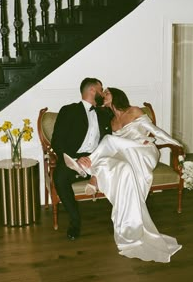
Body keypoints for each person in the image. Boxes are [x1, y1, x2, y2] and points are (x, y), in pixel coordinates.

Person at [64, 87, 183, 262]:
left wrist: (177, 145)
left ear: (116, 95)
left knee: (108, 141)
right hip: (126, 154)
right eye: (102, 94)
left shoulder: (133, 111)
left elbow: (155, 131)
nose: (103, 96)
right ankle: (95, 176)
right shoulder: (111, 121)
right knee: (110, 161)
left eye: (107, 93)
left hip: (144, 151)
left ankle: (86, 168)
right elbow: (115, 147)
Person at [51, 78, 112, 240]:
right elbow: (57, 140)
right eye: (101, 90)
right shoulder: (69, 110)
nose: (103, 93)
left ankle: (120, 219)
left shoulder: (105, 113)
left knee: (122, 169)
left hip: (98, 159)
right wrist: (75, 159)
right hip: (75, 160)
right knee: (59, 176)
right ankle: (75, 221)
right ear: (92, 90)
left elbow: (112, 138)